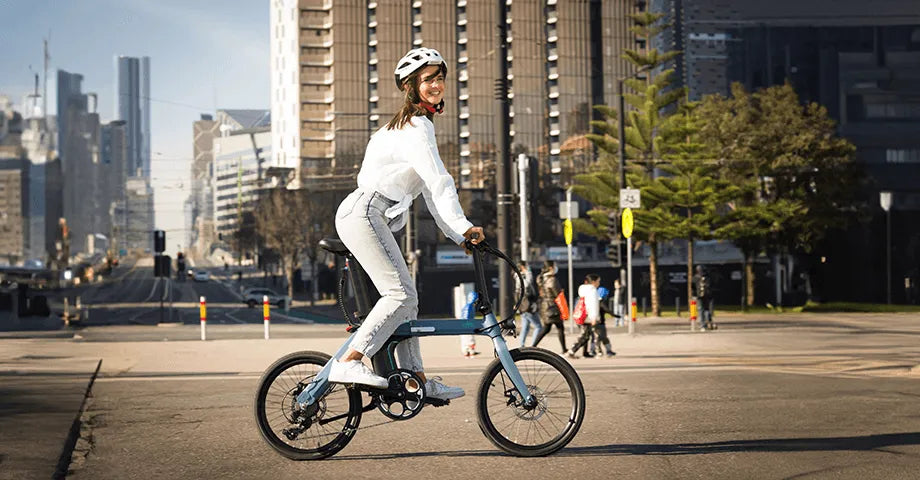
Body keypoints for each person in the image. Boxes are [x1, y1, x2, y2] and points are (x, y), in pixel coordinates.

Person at [327, 47, 484, 401]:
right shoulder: (416, 127)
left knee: (407, 302)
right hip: (365, 212)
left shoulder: (410, 126)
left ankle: (416, 380)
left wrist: (458, 234)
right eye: (429, 79)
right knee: (399, 294)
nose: (437, 85)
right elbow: (440, 182)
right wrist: (464, 226)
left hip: (369, 215)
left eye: (440, 78)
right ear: (412, 87)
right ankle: (350, 360)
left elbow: (430, 192)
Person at [533, 260, 567, 353]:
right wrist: (561, 291)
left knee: (546, 328)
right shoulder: (552, 279)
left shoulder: (541, 278)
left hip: (544, 306)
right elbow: (557, 293)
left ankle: (533, 345)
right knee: (560, 327)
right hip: (553, 306)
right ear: (551, 268)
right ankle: (564, 349)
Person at [566, 274, 601, 359]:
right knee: (587, 335)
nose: (599, 283)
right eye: (598, 281)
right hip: (589, 317)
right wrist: (594, 317)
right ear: (593, 282)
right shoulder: (592, 291)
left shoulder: (583, 289)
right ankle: (572, 351)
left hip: (583, 316)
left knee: (586, 335)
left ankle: (585, 352)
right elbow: (593, 305)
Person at [515, 260, 541, 348]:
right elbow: (527, 284)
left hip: (522, 306)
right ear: (523, 266)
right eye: (527, 265)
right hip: (527, 305)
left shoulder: (517, 275)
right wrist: (528, 272)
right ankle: (533, 345)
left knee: (525, 327)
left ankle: (521, 345)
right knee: (538, 326)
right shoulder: (522, 276)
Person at [592, 286, 616, 357]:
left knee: (597, 337)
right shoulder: (601, 302)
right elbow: (606, 310)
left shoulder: (594, 301)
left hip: (595, 321)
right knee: (601, 337)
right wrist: (613, 314)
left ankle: (598, 351)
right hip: (600, 323)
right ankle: (602, 351)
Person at [693, 265, 715, 330]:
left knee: (700, 310)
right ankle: (710, 322)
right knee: (706, 309)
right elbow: (712, 285)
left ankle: (703, 325)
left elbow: (693, 287)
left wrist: (694, 294)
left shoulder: (695, 277)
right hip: (707, 295)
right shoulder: (707, 277)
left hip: (699, 296)